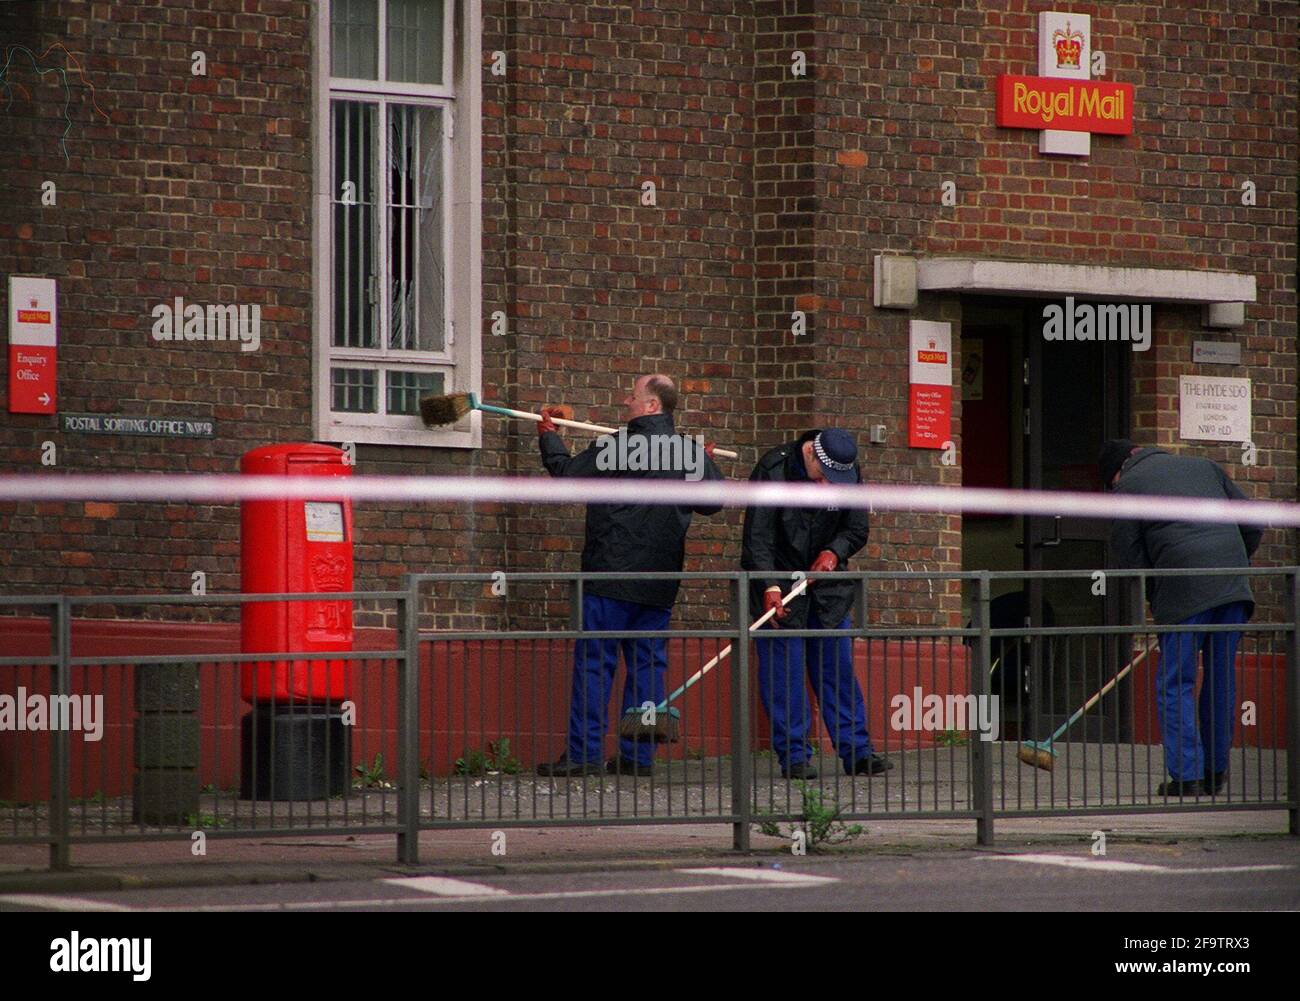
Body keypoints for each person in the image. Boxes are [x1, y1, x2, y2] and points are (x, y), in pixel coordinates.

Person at [535, 374, 724, 777]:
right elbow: (714, 502)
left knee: (594, 666)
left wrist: (549, 437)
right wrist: (703, 462)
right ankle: (638, 758)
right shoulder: (688, 454)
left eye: (633, 396)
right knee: (648, 668)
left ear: (652, 405)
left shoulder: (614, 446)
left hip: (609, 576)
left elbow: (567, 477)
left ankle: (584, 755)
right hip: (659, 582)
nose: (626, 401)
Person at [1102, 439, 1263, 797]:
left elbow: (1130, 558)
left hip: (1183, 592)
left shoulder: (1128, 487)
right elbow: (1254, 524)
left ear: (1116, 472)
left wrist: (1157, 597)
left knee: (1176, 683)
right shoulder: (1203, 466)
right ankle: (1215, 773)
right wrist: (1233, 564)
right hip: (1233, 591)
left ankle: (1186, 776)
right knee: (1221, 680)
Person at [741, 428, 891, 779]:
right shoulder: (772, 470)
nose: (827, 487)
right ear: (809, 454)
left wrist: (834, 552)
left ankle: (857, 751)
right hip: (779, 587)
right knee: (784, 676)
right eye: (822, 478)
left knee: (837, 672)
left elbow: (856, 529)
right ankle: (794, 756)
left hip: (828, 592)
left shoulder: (846, 472)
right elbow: (757, 539)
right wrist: (770, 585)